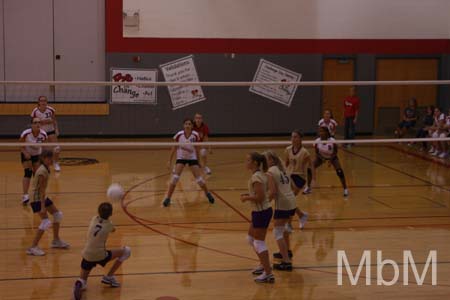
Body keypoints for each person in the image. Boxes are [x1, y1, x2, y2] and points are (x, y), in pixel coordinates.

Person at [72, 202, 131, 300]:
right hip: (100, 255)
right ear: (111, 214)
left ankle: (79, 283)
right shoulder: (109, 225)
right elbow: (113, 230)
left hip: (86, 254)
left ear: (98, 212)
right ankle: (109, 276)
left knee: (83, 281)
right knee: (126, 251)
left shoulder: (93, 219)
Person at [163, 118, 215, 207]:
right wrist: (169, 160)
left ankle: (208, 194)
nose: (187, 125)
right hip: (181, 158)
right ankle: (168, 198)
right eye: (186, 124)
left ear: (192, 126)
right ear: (183, 125)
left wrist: (198, 161)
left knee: (199, 179)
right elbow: (174, 148)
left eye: (189, 124)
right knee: (175, 178)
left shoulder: (195, 135)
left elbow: (197, 148)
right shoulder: (179, 135)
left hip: (192, 158)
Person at [27, 150, 69, 256]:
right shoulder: (42, 171)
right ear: (43, 158)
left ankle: (56, 241)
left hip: (42, 197)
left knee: (57, 215)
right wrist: (42, 206)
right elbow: (41, 190)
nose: (51, 160)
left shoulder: (46, 168)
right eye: (49, 158)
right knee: (45, 222)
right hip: (37, 199)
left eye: (52, 158)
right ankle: (32, 247)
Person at [241, 152, 274, 283]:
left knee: (258, 242)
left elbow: (260, 198)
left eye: (248, 160)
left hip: (261, 212)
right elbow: (260, 194)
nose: (246, 162)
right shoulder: (260, 175)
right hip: (259, 211)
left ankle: (268, 273)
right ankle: (263, 264)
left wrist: (246, 198)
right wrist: (249, 194)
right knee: (250, 238)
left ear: (254, 162)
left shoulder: (256, 177)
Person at [264, 150, 296, 271]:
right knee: (284, 229)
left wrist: (264, 203)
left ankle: (286, 262)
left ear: (271, 160)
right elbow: (292, 186)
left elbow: (273, 192)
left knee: (277, 232)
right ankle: (286, 251)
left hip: (282, 204)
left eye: (266, 159)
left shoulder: (271, 172)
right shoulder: (283, 169)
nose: (264, 162)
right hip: (291, 201)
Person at [284, 130, 311, 231]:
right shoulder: (287, 149)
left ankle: (289, 224)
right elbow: (286, 164)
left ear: (300, 139)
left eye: (295, 137)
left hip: (300, 177)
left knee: (289, 199)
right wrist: (283, 175)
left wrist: (311, 183)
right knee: (289, 200)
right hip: (290, 176)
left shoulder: (305, 152)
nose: (293, 139)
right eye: (292, 137)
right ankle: (301, 215)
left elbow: (310, 168)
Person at [314, 127, 349, 197]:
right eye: (319, 131)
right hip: (321, 157)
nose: (320, 133)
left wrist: (331, 159)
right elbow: (317, 152)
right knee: (309, 168)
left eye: (322, 131)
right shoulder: (317, 141)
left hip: (332, 157)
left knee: (339, 171)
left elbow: (335, 151)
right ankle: (308, 187)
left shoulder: (332, 140)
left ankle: (345, 189)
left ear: (326, 132)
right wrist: (322, 158)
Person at [20, 118, 47, 205]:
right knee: (28, 172)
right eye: (35, 122)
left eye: (39, 122)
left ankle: (38, 194)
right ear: (31, 125)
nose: (37, 124)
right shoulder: (26, 133)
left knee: (37, 174)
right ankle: (25, 195)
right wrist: (25, 152)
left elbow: (44, 147)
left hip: (37, 155)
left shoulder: (43, 134)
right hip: (27, 153)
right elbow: (20, 145)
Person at [31, 96, 61, 171]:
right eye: (41, 101)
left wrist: (56, 129)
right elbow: (34, 122)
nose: (43, 102)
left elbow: (54, 120)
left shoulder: (50, 110)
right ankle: (43, 164)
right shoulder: (35, 111)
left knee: (57, 148)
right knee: (43, 150)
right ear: (39, 102)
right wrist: (42, 122)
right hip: (41, 132)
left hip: (51, 131)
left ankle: (56, 163)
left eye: (45, 100)